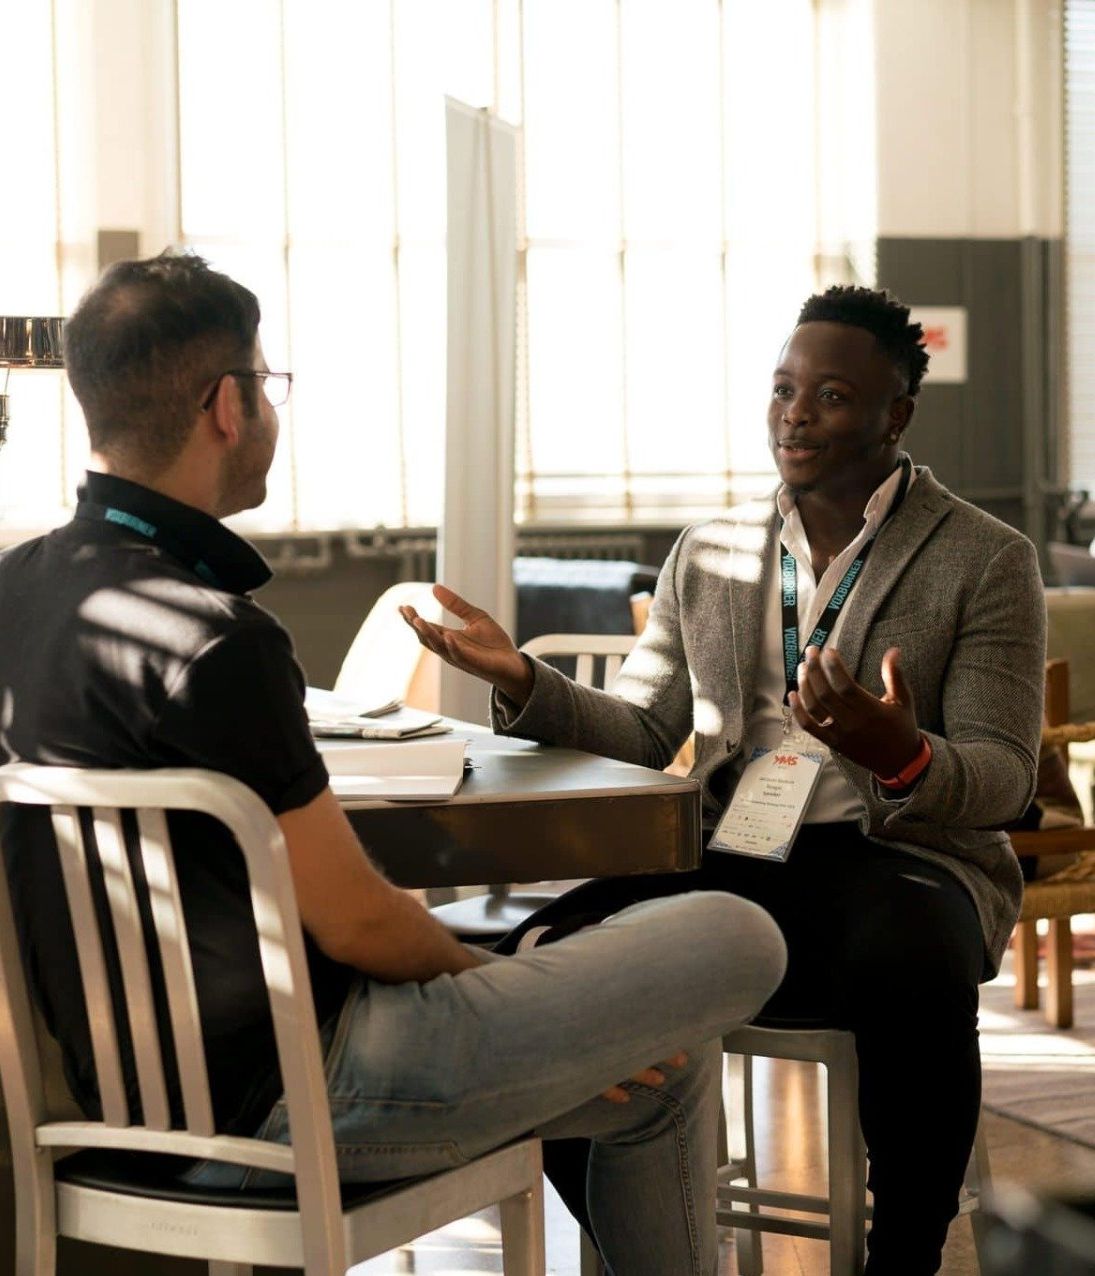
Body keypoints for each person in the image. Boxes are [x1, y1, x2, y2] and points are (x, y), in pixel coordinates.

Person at [0, 252, 788, 1276]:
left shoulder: (19, 587)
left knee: (665, 1071)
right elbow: (360, 920)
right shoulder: (220, 639)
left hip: (116, 1103)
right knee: (736, 929)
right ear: (227, 405)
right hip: (302, 1099)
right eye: (270, 381)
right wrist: (496, 981)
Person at [403, 285, 1047, 1276]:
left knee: (912, 955)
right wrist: (524, 681)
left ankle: (904, 1256)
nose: (795, 413)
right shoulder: (707, 552)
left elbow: (1004, 777)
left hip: (903, 858)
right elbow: (649, 727)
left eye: (830, 394)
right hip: (736, 849)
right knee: (555, 950)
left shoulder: (985, 557)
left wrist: (899, 753)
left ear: (896, 415)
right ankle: (642, 1247)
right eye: (784, 388)